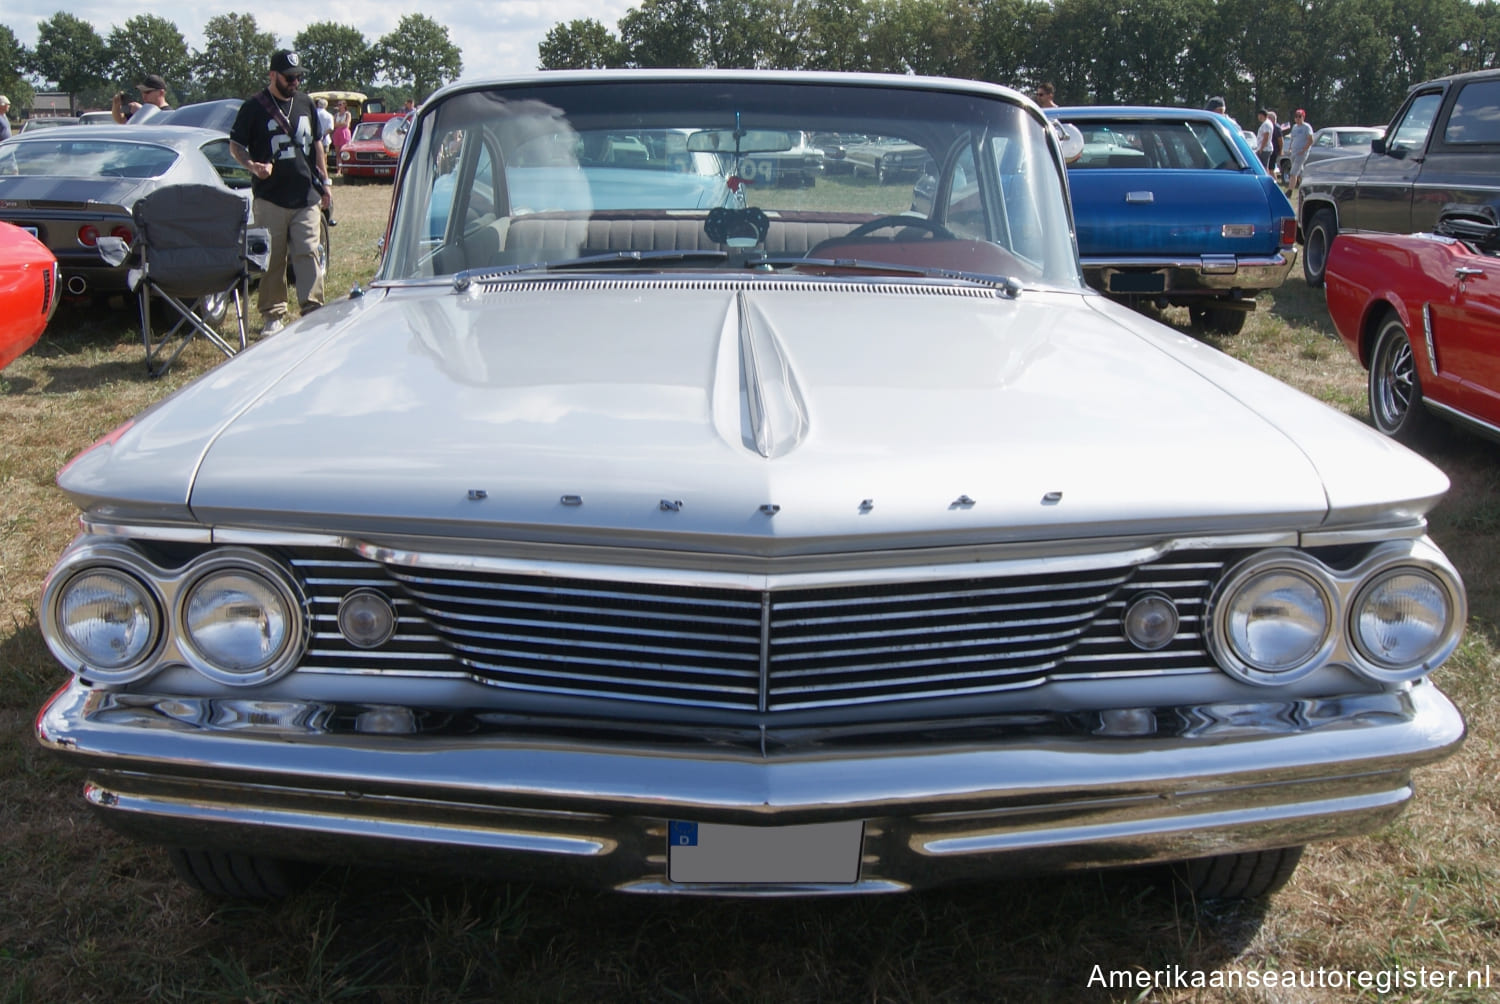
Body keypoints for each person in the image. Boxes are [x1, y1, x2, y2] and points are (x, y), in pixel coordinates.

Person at [229, 49, 332, 336]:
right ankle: (273, 314)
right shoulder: (253, 108)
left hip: (305, 195)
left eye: (298, 77)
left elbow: (317, 144)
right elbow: (235, 145)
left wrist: (325, 181)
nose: (295, 82)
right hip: (270, 196)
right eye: (289, 77)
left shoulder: (306, 103)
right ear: (272, 75)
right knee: (272, 257)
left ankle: (312, 309)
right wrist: (251, 165)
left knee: (308, 251)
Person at [1287, 108, 1314, 189]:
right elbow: (1292, 138)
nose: (1297, 118)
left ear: (1303, 117)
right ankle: (1306, 186)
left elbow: (1311, 140)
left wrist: (1304, 150)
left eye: (1299, 116)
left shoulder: (1306, 127)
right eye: (1296, 116)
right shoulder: (1294, 127)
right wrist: (1290, 148)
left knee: (1293, 172)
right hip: (1294, 152)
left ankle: (1290, 191)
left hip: (1301, 153)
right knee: (1300, 172)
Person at [330, 99, 353, 171]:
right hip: (337, 133)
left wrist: (338, 124)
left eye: (340, 104)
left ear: (344, 105)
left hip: (345, 133)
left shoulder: (347, 114)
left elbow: (347, 124)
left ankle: (345, 169)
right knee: (337, 153)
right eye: (338, 105)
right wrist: (340, 124)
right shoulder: (336, 115)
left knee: (344, 151)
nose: (339, 106)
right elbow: (333, 125)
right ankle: (338, 169)